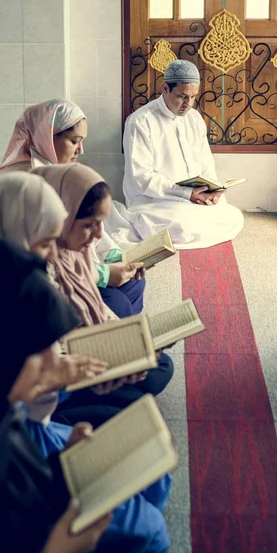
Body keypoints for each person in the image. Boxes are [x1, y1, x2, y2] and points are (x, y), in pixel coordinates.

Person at [0, 239, 171, 553]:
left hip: (28, 507)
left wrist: (64, 464)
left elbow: (19, 473)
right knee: (150, 530)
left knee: (152, 479)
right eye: (36, 348)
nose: (51, 359)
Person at [0, 172, 117, 442]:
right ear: (10, 232)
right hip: (4, 433)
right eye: (44, 243)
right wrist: (52, 380)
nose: (53, 253)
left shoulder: (4, 280)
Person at [32, 163, 174, 415]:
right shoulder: (33, 267)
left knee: (160, 365)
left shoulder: (68, 250)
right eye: (90, 225)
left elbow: (92, 306)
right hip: (50, 376)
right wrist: (113, 354)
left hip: (78, 351)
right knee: (136, 392)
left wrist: (134, 343)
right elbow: (52, 347)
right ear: (62, 215)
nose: (98, 234)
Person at [0, 98, 146, 318]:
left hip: (79, 269)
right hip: (38, 284)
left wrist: (115, 256)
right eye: (74, 141)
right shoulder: (23, 187)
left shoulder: (59, 173)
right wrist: (103, 275)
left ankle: (115, 334)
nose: (81, 149)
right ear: (47, 138)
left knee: (135, 282)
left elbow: (89, 228)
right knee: (116, 303)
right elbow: (45, 263)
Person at [105, 59, 244, 250]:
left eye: (193, 97)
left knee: (233, 216)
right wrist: (186, 194)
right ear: (165, 88)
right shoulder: (140, 121)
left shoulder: (194, 118)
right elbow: (141, 178)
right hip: (157, 201)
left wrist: (212, 190)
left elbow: (206, 165)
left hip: (193, 196)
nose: (188, 104)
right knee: (181, 227)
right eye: (182, 96)